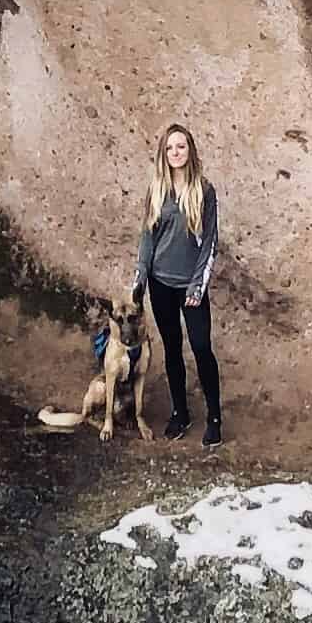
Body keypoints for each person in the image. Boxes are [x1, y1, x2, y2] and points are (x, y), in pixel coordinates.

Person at [133, 120, 222, 446]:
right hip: (160, 283)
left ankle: (214, 418)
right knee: (172, 348)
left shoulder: (204, 190)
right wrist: (140, 275)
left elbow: (210, 242)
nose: (175, 152)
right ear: (163, 153)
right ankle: (180, 413)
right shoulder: (157, 189)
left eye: (181, 146)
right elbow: (147, 236)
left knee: (201, 347)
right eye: (170, 147)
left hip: (190, 285)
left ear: (190, 150)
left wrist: (198, 286)